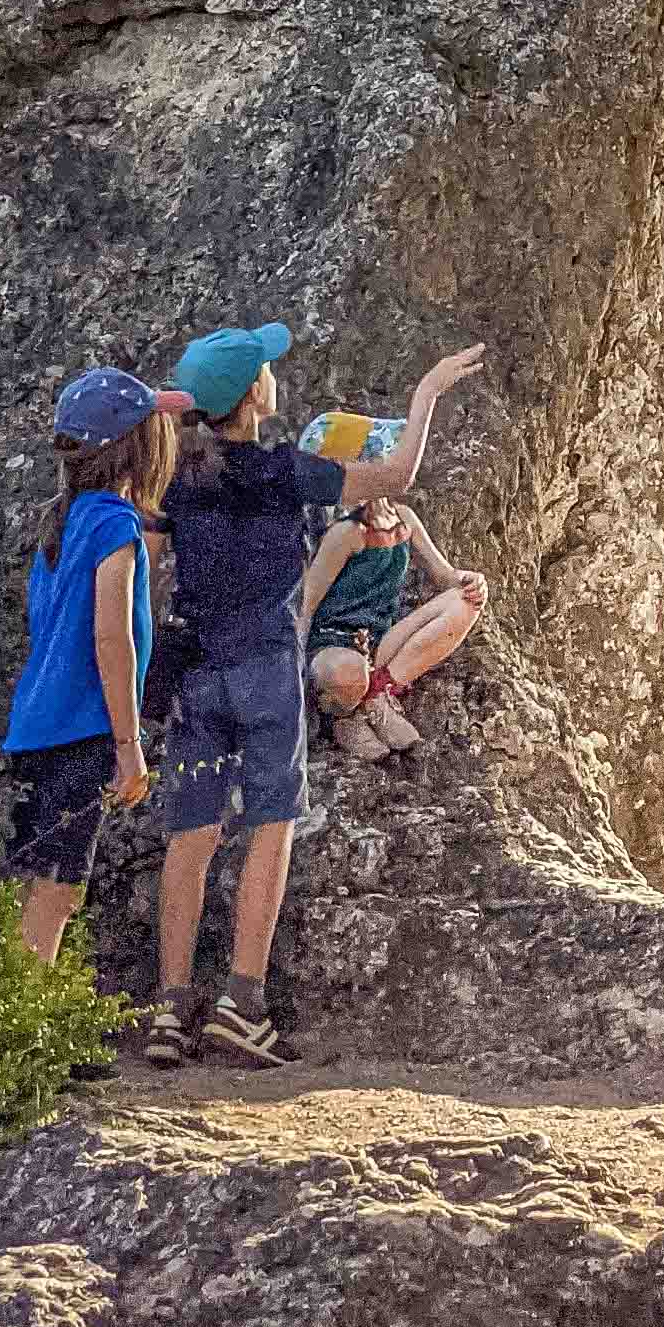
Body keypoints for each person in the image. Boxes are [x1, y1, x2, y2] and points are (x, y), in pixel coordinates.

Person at [149, 322, 486, 1065]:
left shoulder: (181, 475)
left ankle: (170, 1012)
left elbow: (148, 561)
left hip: (199, 667)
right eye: (265, 370)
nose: (274, 376)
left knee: (190, 837)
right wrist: (427, 392)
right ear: (252, 397)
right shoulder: (283, 471)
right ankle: (242, 1002)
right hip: (266, 669)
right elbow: (394, 477)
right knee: (271, 826)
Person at [1, 366, 174, 966]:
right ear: (138, 448)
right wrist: (129, 745)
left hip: (35, 724)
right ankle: (22, 1037)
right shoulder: (113, 523)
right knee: (57, 888)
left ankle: (20, 1025)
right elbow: (113, 636)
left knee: (38, 883)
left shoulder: (63, 519)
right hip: (82, 730)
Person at [297, 409, 491, 762]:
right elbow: (307, 605)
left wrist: (471, 581)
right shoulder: (347, 533)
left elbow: (445, 575)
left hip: (379, 641)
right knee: (345, 672)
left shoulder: (403, 519)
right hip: (335, 646)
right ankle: (345, 715)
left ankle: (378, 692)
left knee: (462, 602)